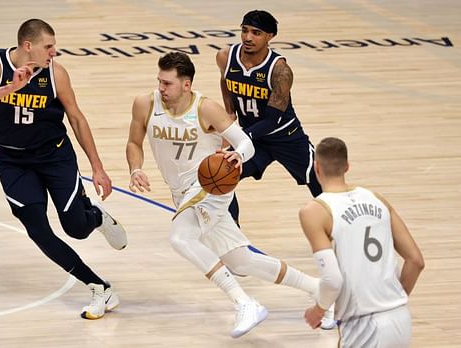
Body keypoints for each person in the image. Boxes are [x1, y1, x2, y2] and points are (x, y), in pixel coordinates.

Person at [126, 52, 323, 338]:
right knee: (241, 260)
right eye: (159, 81)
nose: (161, 88)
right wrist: (135, 169)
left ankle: (244, 302)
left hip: (210, 185)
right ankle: (317, 288)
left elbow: (245, 143)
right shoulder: (145, 103)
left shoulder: (205, 108)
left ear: (186, 84)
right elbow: (133, 142)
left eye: (167, 83)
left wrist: (236, 155)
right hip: (181, 192)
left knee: (180, 238)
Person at [0, 19, 127, 320]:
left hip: (55, 156)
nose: (54, 52)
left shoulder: (56, 74)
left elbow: (76, 118)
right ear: (28, 46)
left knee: (76, 228)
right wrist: (11, 87)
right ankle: (98, 286)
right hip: (13, 161)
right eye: (48, 47)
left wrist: (98, 167)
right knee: (38, 229)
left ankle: (96, 216)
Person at [300, 137, 425, 347]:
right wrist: (392, 302)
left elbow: (332, 279)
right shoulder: (377, 198)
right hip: (400, 317)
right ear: (347, 166)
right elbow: (416, 261)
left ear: (316, 166)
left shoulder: (314, 211)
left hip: (364, 323)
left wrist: (318, 310)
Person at [216, 10, 322, 224]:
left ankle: (342, 228)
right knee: (219, 175)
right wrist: (230, 113)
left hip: (286, 136)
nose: (247, 37)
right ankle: (233, 236)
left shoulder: (280, 71)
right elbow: (225, 81)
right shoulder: (226, 57)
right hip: (253, 138)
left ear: (270, 36)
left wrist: (237, 135)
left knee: (319, 180)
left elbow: (272, 120)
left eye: (256, 33)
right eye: (244, 31)